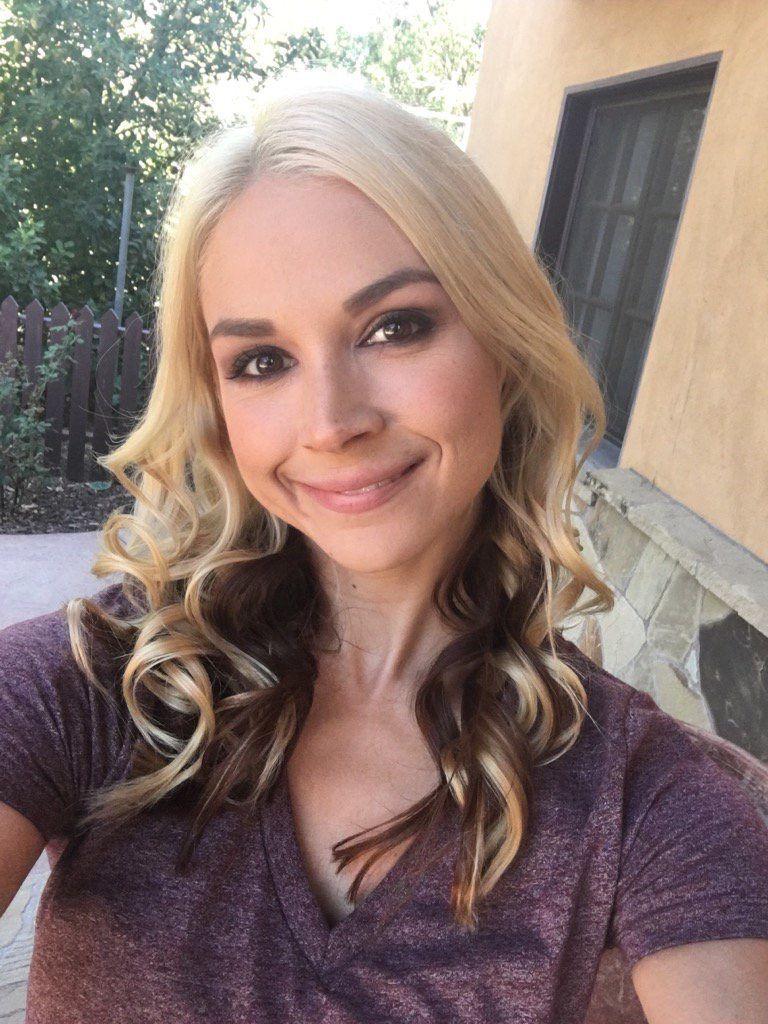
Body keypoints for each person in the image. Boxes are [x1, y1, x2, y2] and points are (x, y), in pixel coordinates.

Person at [1, 69, 767, 1024]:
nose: (331, 423)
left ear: (505, 344)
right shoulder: (88, 687)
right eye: (262, 361)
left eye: (394, 328)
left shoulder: (645, 797)